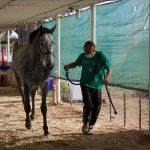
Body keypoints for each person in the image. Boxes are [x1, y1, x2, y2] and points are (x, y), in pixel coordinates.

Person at [64, 41, 112, 135]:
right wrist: (68, 66)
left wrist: (106, 78)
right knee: (88, 105)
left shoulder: (101, 57)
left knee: (97, 106)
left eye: (88, 51)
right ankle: (85, 124)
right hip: (85, 84)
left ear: (93, 49)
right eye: (85, 51)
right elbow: (76, 63)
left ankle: (91, 125)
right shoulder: (82, 56)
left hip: (97, 85)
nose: (86, 53)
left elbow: (109, 68)